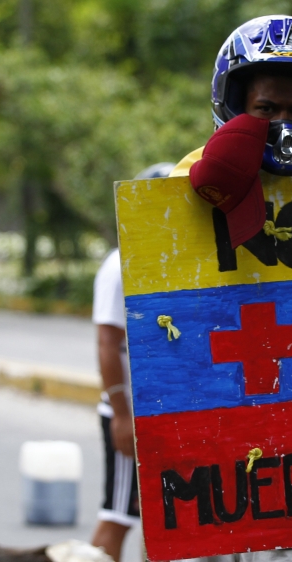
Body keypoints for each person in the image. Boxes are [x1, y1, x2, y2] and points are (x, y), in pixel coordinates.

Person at [169, 15, 292, 562]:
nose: (285, 124)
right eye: (266, 110)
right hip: (215, 438)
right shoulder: (183, 185)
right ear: (235, 105)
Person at [89, 162, 175, 561]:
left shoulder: (172, 258)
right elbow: (108, 343)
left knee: (166, 515)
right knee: (119, 513)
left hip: (164, 410)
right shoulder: (119, 264)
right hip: (130, 413)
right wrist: (122, 416)